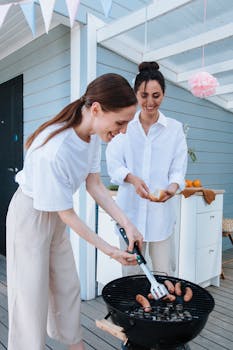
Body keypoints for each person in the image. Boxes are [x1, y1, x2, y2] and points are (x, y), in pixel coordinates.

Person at [6, 73, 143, 350]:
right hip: (29, 218)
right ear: (96, 109)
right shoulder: (53, 149)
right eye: (121, 122)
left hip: (55, 218)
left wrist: (127, 223)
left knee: (67, 286)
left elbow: (95, 185)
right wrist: (108, 249)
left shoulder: (91, 136)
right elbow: (67, 214)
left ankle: (74, 345)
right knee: (30, 299)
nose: (124, 130)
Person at [106, 62, 188, 277]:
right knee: (131, 277)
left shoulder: (175, 129)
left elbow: (178, 170)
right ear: (135, 94)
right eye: (144, 95)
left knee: (164, 275)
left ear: (164, 95)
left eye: (156, 95)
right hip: (129, 215)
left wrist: (171, 188)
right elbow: (114, 165)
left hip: (161, 217)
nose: (150, 102)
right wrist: (132, 179)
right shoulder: (125, 125)